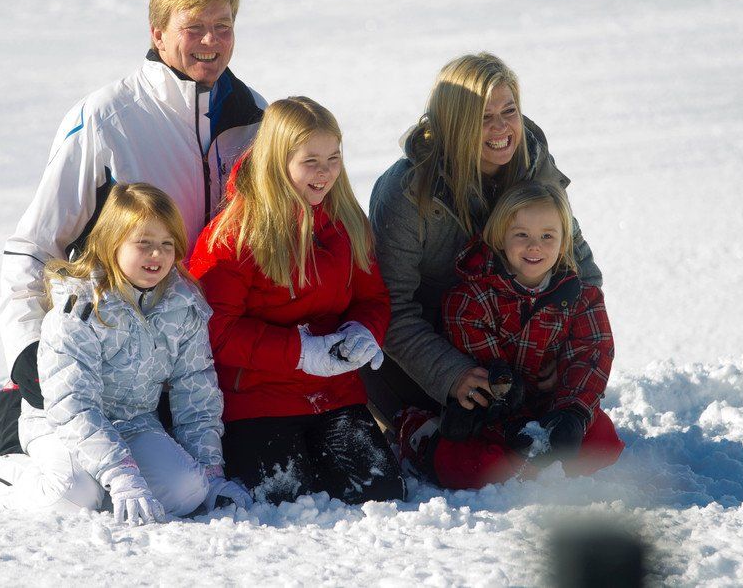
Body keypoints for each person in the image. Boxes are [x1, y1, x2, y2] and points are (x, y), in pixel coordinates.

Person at [0, 0, 265, 463]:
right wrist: (29, 354)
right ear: (158, 33)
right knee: (72, 469)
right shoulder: (107, 117)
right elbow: (35, 246)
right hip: (113, 350)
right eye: (193, 28)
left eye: (223, 26)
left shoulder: (255, 117)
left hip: (206, 351)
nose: (210, 41)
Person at [0, 184, 252, 522]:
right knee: (72, 496)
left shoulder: (182, 306)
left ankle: (105, 482)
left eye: (167, 244)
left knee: (188, 491)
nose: (157, 254)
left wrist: (211, 473)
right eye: (144, 243)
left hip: (133, 421)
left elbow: (196, 393)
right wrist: (120, 474)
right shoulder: (80, 308)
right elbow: (72, 405)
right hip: (60, 424)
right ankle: (5, 475)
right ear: (112, 243)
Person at [363, 52, 602, 448]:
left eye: (509, 111)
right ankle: (416, 429)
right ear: (453, 122)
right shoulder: (407, 192)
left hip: (517, 345)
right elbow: (389, 306)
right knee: (470, 450)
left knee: (580, 442)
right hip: (424, 351)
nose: (501, 127)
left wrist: (565, 354)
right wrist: (450, 372)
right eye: (483, 117)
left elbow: (581, 271)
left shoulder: (534, 166)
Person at [188, 96, 405, 505]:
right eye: (311, 161)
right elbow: (216, 331)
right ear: (277, 161)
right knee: (285, 501)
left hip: (335, 393)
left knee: (381, 493)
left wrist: (364, 331)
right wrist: (301, 352)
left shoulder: (347, 221)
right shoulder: (233, 235)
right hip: (257, 399)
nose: (325, 172)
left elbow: (373, 296)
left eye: (334, 158)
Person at [402, 181, 623, 488]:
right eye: (522, 235)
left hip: (550, 405)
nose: (535, 246)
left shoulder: (582, 296)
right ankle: (421, 434)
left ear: (564, 242)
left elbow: (592, 355)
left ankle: (543, 452)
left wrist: (572, 413)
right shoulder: (471, 299)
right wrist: (513, 428)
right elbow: (489, 380)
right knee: (478, 468)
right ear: (500, 237)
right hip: (489, 416)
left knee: (603, 442)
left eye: (547, 236)